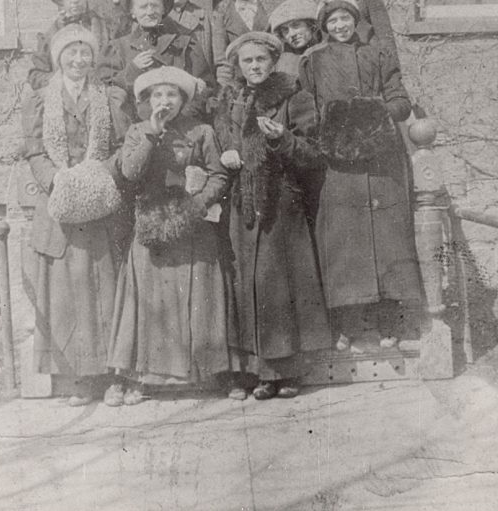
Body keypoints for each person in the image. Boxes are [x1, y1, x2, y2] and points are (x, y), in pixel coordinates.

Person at [299, 0, 422, 353]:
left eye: (345, 19)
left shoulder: (378, 53)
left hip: (381, 159)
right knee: (345, 242)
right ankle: (347, 326)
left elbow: (400, 100)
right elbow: (307, 109)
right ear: (324, 26)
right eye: (332, 21)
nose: (340, 26)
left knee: (386, 240)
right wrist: (333, 121)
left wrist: (372, 110)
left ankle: (390, 322)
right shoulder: (314, 61)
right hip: (339, 163)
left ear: (356, 20)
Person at [105, 67, 233, 405]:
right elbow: (129, 175)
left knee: (194, 296)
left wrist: (197, 203)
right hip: (151, 224)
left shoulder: (202, 131)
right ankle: (139, 377)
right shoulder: (137, 131)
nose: (165, 101)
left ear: (184, 100)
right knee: (148, 301)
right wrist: (152, 133)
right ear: (146, 101)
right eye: (157, 95)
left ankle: (198, 374)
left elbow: (219, 175)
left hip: (192, 225)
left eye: (172, 95)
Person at [214, 31, 330, 400]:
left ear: (273, 61)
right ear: (239, 67)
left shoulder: (294, 97)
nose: (254, 66)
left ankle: (289, 372)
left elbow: (314, 153)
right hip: (245, 202)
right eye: (247, 61)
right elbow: (226, 140)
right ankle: (261, 373)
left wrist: (282, 138)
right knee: (250, 285)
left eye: (260, 60)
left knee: (279, 286)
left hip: (281, 203)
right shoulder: (234, 99)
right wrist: (229, 154)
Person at [21, 24, 132, 406]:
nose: (79, 60)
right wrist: (57, 181)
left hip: (99, 206)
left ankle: (113, 376)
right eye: (71, 53)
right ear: (58, 59)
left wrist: (99, 174)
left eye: (86, 53)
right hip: (60, 208)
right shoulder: (39, 100)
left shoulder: (109, 98)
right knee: (71, 294)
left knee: (106, 288)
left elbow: (120, 146)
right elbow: (33, 150)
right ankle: (81, 378)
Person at [96, 0, 214, 115]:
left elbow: (206, 87)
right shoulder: (118, 47)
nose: (150, 11)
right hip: (135, 128)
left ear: (163, 9)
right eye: (143, 7)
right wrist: (132, 70)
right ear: (132, 12)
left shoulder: (185, 44)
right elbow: (107, 90)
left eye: (155, 6)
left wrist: (182, 117)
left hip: (180, 121)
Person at [27, 0, 110, 91]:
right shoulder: (50, 34)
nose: (75, 0)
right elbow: (36, 75)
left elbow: (114, 67)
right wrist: (61, 80)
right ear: (60, 0)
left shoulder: (104, 28)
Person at [268, 0, 321, 77]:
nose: (292, 34)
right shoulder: (282, 63)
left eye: (296, 25)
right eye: (285, 30)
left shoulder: (328, 51)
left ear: (311, 25)